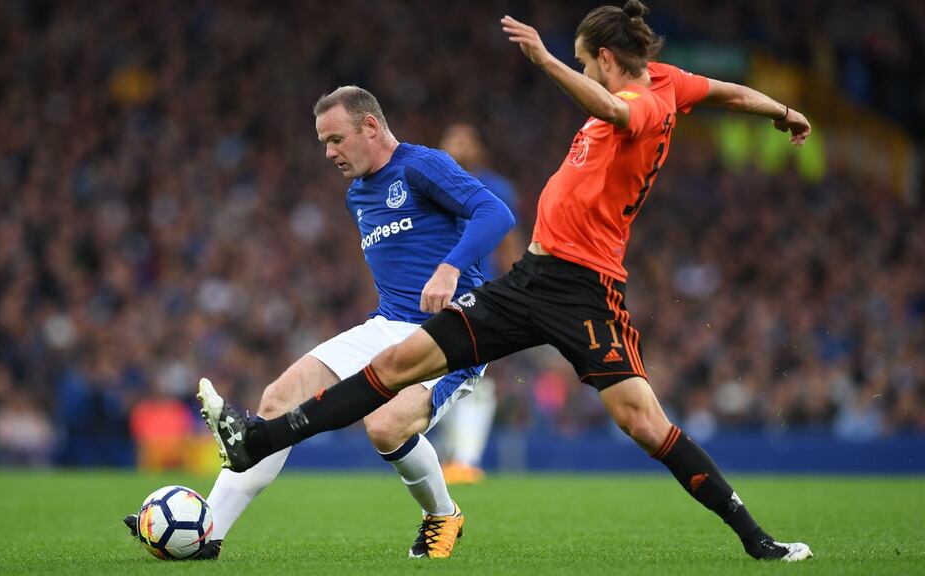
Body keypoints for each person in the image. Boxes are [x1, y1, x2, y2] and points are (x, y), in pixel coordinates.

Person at [203, 1, 814, 562]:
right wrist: (782, 112)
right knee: (394, 366)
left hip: (586, 289)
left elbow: (613, 110)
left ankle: (755, 538)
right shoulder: (672, 81)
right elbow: (727, 92)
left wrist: (545, 60)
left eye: (584, 62)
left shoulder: (646, 102)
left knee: (642, 423)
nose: (584, 72)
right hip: (530, 278)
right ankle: (261, 440)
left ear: (604, 58)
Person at [125, 86, 514, 560]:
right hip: (388, 325)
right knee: (277, 400)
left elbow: (496, 213)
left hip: (453, 329)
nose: (329, 153)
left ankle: (443, 514)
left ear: (370, 127)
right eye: (323, 143)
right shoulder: (358, 195)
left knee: (385, 426)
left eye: (335, 139)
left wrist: (450, 268)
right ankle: (207, 536)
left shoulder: (421, 165)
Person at [436, 123, 523, 484]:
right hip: (433, 293)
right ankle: (451, 456)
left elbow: (509, 243)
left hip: (479, 293)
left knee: (475, 375)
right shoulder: (429, 183)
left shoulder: (496, 188)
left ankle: (466, 460)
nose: (459, 146)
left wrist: (518, 290)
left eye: (466, 139)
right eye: (452, 139)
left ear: (479, 149)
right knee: (438, 374)